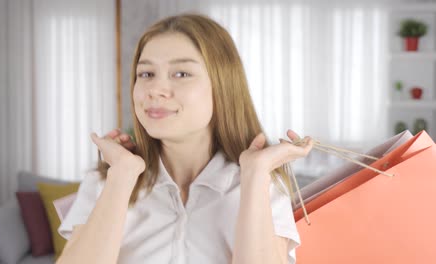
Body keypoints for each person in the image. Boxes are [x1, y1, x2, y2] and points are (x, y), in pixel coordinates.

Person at [56, 13, 313, 264]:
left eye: (181, 74)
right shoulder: (105, 182)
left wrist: (255, 174)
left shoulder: (264, 185)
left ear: (222, 86)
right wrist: (122, 176)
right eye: (146, 74)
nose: (155, 89)